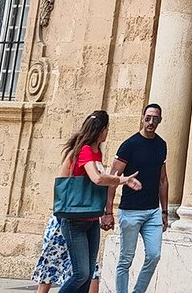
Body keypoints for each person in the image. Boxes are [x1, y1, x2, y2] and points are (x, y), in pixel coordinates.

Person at [56, 111, 140, 293]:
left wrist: (106, 212)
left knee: (87, 277)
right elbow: (97, 178)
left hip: (91, 219)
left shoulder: (97, 152)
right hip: (75, 221)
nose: (108, 131)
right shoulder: (85, 150)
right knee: (81, 274)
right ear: (102, 130)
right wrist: (123, 180)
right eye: (107, 128)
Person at [108, 104, 169, 293]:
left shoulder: (161, 145)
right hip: (130, 211)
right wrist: (108, 211)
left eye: (155, 119)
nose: (151, 122)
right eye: (148, 118)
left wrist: (165, 211)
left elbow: (163, 180)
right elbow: (112, 179)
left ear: (160, 121)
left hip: (152, 212)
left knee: (154, 255)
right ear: (142, 118)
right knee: (126, 259)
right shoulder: (129, 145)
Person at [30, 215, 99, 293]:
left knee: (88, 270)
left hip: (91, 219)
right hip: (66, 220)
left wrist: (107, 214)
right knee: (51, 263)